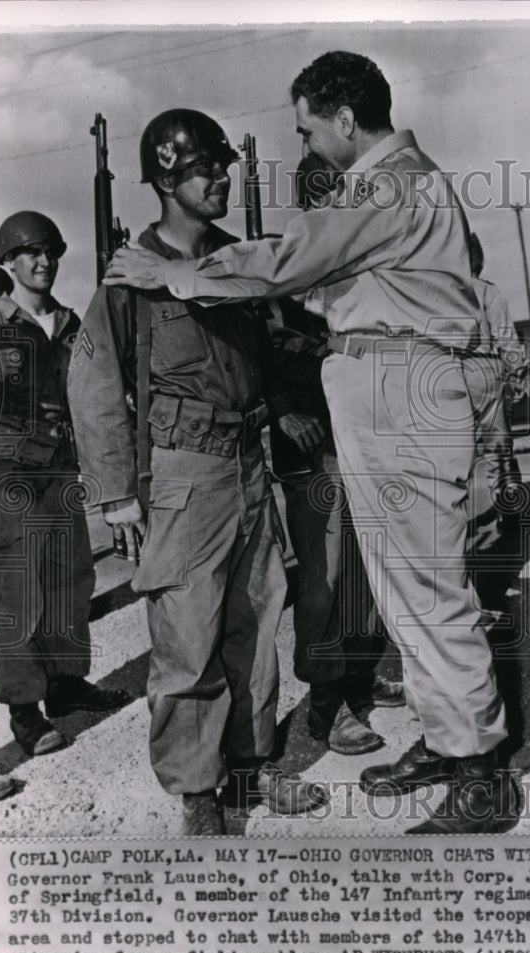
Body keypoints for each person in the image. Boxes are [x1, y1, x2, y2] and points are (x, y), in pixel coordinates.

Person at [105, 53, 517, 834]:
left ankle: (481, 773)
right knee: (402, 587)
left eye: (306, 127)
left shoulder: (383, 184)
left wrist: (182, 271)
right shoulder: (405, 183)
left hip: (402, 387)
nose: (305, 142)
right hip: (390, 382)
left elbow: (290, 260)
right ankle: (448, 736)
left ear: (343, 118)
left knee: (428, 588)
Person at [67, 109, 325, 835]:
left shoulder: (236, 260)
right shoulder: (129, 279)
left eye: (224, 165)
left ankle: (249, 767)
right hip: (181, 474)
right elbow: (92, 382)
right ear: (166, 179)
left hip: (248, 465)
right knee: (187, 637)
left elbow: (267, 357)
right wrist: (117, 496)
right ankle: (197, 792)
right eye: (206, 168)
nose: (223, 178)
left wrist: (283, 405)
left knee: (256, 620)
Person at [0, 211, 130, 759]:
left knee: (70, 580)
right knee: (18, 592)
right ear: (11, 261)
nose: (44, 262)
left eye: (52, 251)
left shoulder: (70, 323)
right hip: (9, 476)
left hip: (61, 472)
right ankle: (24, 711)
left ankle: (66, 686)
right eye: (32, 253)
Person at [268, 153, 404, 756]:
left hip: (364, 433)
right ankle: (326, 705)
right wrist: (278, 409)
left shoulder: (365, 259)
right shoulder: (287, 262)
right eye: (320, 192)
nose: (332, 201)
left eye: (340, 190)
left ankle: (356, 674)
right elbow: (258, 348)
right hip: (313, 440)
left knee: (366, 566)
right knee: (321, 577)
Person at [466, 232, 526, 538]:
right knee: (499, 451)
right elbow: (507, 338)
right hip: (487, 371)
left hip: (450, 373)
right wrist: (517, 372)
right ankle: (508, 506)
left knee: (456, 455)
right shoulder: (488, 291)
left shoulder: (438, 293)